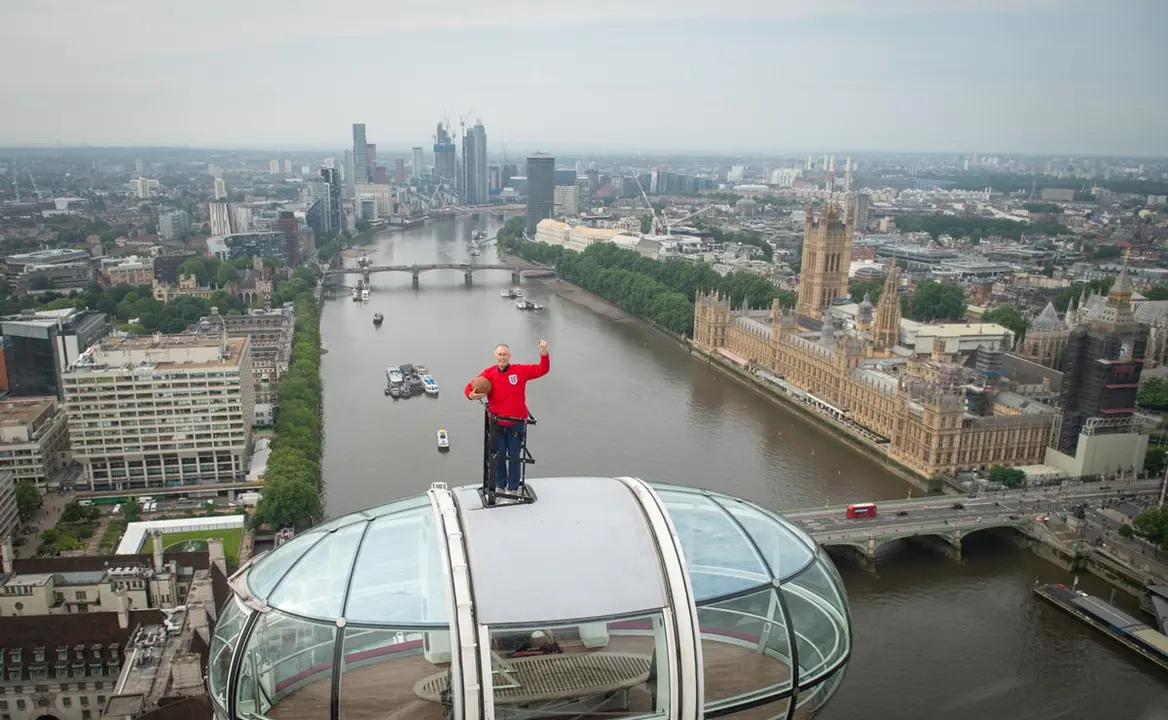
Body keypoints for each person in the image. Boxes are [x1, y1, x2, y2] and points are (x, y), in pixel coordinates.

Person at [465, 340, 550, 493]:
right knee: (498, 456)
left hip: (516, 422)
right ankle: (499, 485)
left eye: (505, 354)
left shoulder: (520, 371)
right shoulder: (488, 374)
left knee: (514, 457)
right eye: (499, 354)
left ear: (509, 356)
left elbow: (542, 369)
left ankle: (513, 488)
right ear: (495, 356)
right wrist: (471, 395)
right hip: (497, 423)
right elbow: (469, 388)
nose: (502, 357)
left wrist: (543, 353)